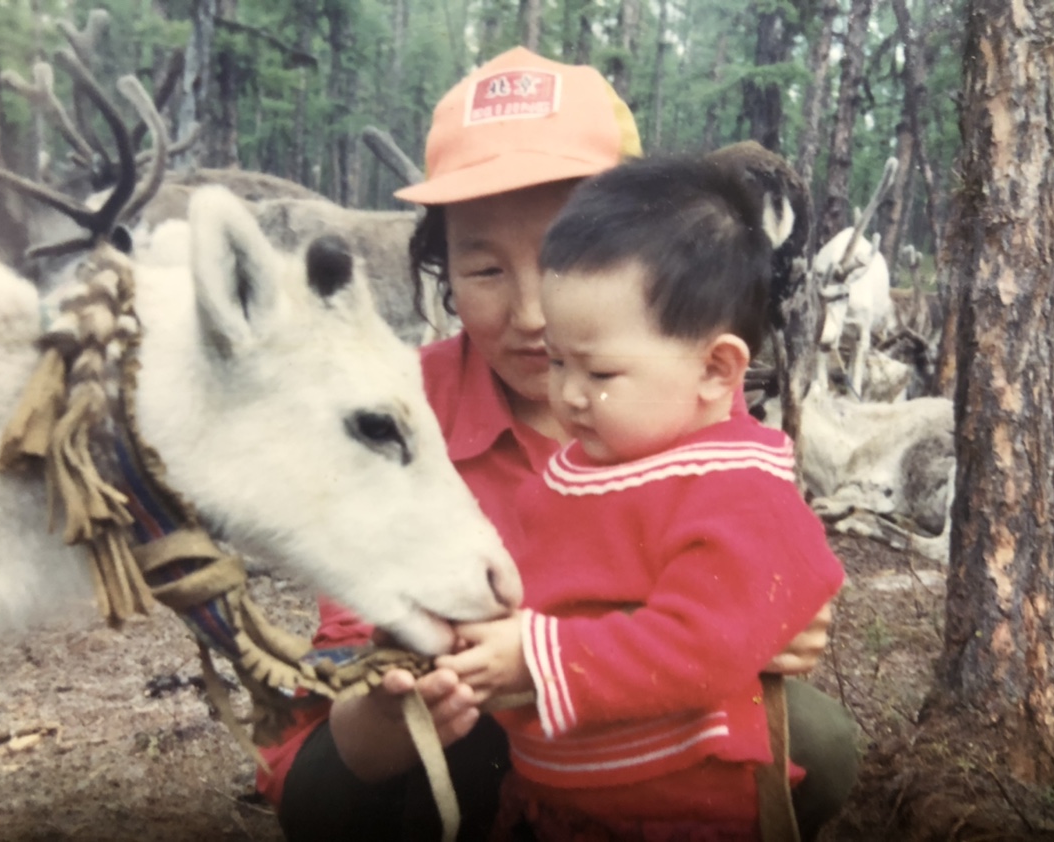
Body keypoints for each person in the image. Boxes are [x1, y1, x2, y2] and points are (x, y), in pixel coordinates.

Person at [256, 46, 857, 842]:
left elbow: (754, 561)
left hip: (628, 732)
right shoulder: (396, 417)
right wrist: (391, 687)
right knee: (351, 793)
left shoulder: (689, 403)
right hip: (451, 740)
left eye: (562, 258)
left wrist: (769, 608)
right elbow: (341, 662)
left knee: (815, 741)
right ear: (439, 269)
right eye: (483, 269)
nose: (534, 314)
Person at [432, 154, 845, 841]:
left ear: (716, 370)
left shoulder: (734, 486)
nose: (566, 393)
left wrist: (537, 658)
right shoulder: (592, 465)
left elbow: (702, 645)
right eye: (559, 362)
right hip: (554, 796)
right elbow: (538, 588)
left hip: (677, 805)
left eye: (598, 372)